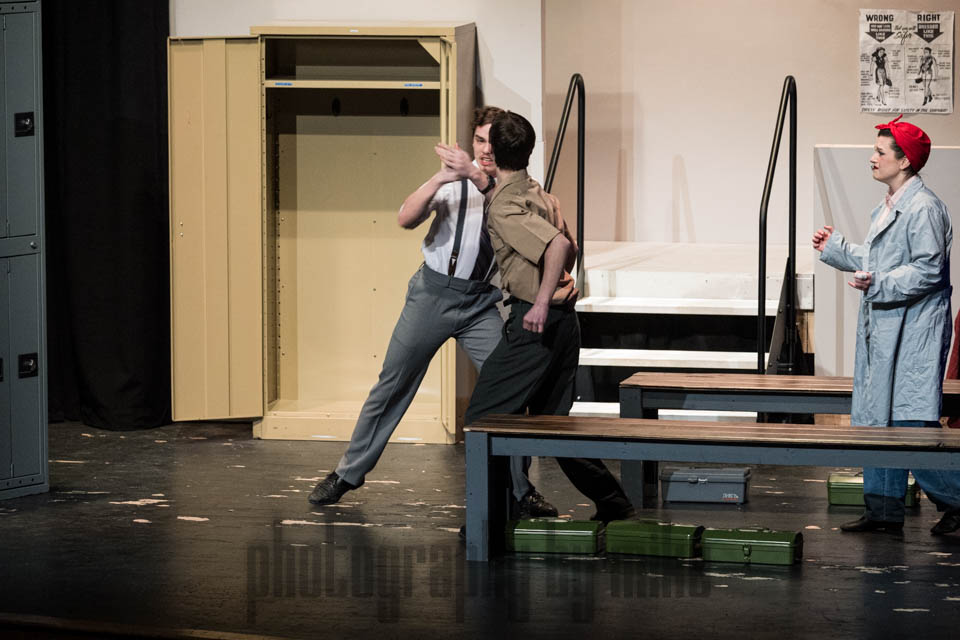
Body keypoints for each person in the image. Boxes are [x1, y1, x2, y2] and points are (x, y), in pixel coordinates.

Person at [308, 106, 558, 519]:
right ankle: (347, 473)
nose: (486, 149)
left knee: (507, 390)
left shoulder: (515, 189)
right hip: (434, 295)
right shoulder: (454, 182)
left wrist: (474, 174)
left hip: (482, 303)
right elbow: (406, 218)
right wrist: (441, 177)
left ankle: (520, 489)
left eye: (493, 142)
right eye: (479, 140)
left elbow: (515, 212)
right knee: (392, 384)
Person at [458, 111, 635, 523]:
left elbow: (558, 246)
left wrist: (539, 301)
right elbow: (571, 248)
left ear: (494, 151)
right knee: (551, 424)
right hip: (563, 322)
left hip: (535, 324)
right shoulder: (540, 193)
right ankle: (613, 502)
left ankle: (489, 521)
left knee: (481, 419)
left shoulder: (505, 205)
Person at [813, 115, 960, 536]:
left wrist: (878, 282)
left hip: (914, 331)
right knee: (877, 421)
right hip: (888, 326)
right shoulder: (889, 206)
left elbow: (928, 269)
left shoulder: (924, 208)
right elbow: (881, 260)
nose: (872, 158)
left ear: (905, 161)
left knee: (911, 425)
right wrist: (837, 249)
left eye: (880, 152)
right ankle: (882, 509)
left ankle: (956, 500)